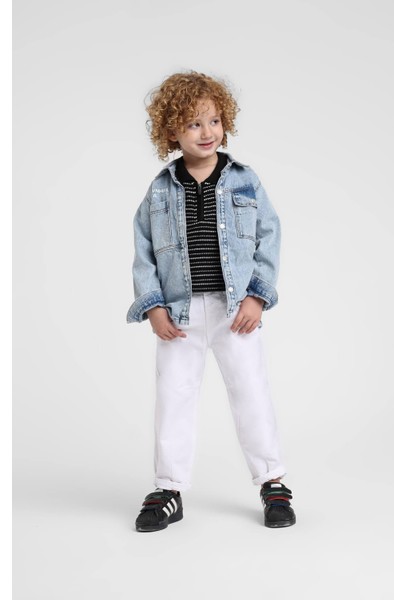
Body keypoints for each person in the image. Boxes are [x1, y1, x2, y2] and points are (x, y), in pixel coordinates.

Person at [127, 70, 296, 531]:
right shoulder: (160, 188)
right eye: (194, 123)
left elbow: (269, 235)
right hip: (178, 315)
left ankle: (273, 483)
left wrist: (257, 297)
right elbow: (143, 248)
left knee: (251, 393)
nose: (207, 132)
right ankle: (169, 489)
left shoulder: (244, 179)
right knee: (173, 397)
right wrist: (153, 305)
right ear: (171, 132)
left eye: (215, 121)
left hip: (234, 310)